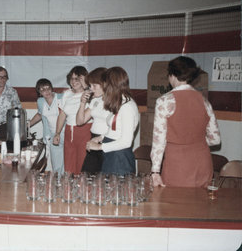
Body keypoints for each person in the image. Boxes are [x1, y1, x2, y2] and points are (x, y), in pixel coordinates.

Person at [150, 56, 221, 188]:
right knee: (201, 206)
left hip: (178, 164)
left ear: (172, 75)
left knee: (175, 206)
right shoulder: (204, 101)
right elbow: (215, 139)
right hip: (202, 163)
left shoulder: (164, 101)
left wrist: (155, 171)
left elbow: (159, 141)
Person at [86, 67, 139, 176]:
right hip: (111, 153)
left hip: (120, 157)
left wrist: (99, 147)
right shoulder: (119, 103)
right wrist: (101, 137)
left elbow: (126, 141)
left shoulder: (127, 106)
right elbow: (116, 129)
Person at [53, 66, 91, 174]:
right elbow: (62, 115)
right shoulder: (67, 94)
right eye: (72, 78)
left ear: (84, 79)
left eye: (77, 78)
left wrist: (86, 86)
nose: (74, 81)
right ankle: (69, 190)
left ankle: (82, 190)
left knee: (82, 166)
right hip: (69, 133)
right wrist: (57, 133)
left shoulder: (90, 94)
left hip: (85, 132)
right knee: (69, 167)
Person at [76, 67, 112, 173]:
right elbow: (79, 121)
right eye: (90, 85)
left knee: (104, 180)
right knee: (86, 176)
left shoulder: (114, 101)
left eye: (94, 85)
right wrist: (82, 103)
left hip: (106, 140)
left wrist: (101, 138)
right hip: (93, 140)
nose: (91, 89)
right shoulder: (95, 100)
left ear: (104, 84)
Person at [29, 78, 64, 174]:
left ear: (52, 88)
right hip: (52, 135)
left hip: (66, 133)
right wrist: (27, 125)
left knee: (68, 162)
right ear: (39, 92)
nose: (46, 91)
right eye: (42, 89)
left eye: (48, 88)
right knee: (56, 163)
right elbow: (40, 114)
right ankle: (58, 183)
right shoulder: (40, 101)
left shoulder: (61, 97)